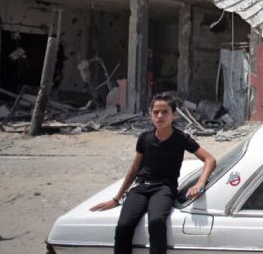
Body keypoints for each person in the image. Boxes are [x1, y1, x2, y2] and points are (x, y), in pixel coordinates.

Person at [90, 94, 217, 254]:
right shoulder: (145, 138)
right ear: (150, 114)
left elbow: (210, 159)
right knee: (124, 226)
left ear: (174, 114)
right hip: (141, 188)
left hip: (164, 188)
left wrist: (200, 183)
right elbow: (134, 169)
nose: (160, 116)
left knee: (156, 222)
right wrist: (116, 199)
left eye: (165, 112)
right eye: (156, 112)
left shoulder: (181, 138)